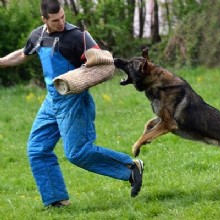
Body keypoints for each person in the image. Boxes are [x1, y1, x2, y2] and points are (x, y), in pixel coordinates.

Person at [0, 0, 144, 208]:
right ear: (44, 20)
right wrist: (2, 61)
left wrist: (93, 56)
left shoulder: (77, 36)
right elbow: (23, 54)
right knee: (37, 149)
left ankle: (130, 168)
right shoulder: (37, 36)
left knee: (77, 152)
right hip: (52, 101)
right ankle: (56, 200)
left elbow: (100, 56)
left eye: (63, 17)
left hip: (75, 101)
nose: (61, 23)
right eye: (55, 20)